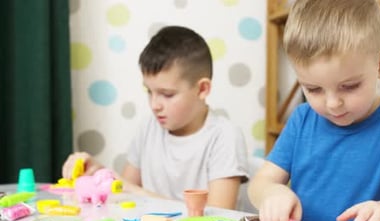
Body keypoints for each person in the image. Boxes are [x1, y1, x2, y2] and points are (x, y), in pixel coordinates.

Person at [248, 0, 380, 221]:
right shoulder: (302, 120)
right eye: (313, 89)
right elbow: (260, 183)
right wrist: (272, 194)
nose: (332, 103)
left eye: (349, 86)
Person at [62, 26, 248, 210]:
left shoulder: (224, 136)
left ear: (202, 89)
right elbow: (125, 189)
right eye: (149, 92)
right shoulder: (150, 126)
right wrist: (99, 173)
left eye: (167, 94)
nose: (154, 105)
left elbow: (220, 216)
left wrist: (134, 191)